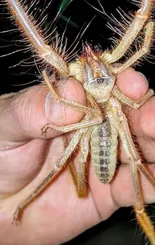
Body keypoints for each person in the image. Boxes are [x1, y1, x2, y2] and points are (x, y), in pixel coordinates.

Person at [0, 67, 155, 245]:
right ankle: (25, 201)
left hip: (108, 126)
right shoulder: (85, 99)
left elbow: (134, 103)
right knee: (64, 162)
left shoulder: (103, 100)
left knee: (136, 162)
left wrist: (56, 97)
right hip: (96, 135)